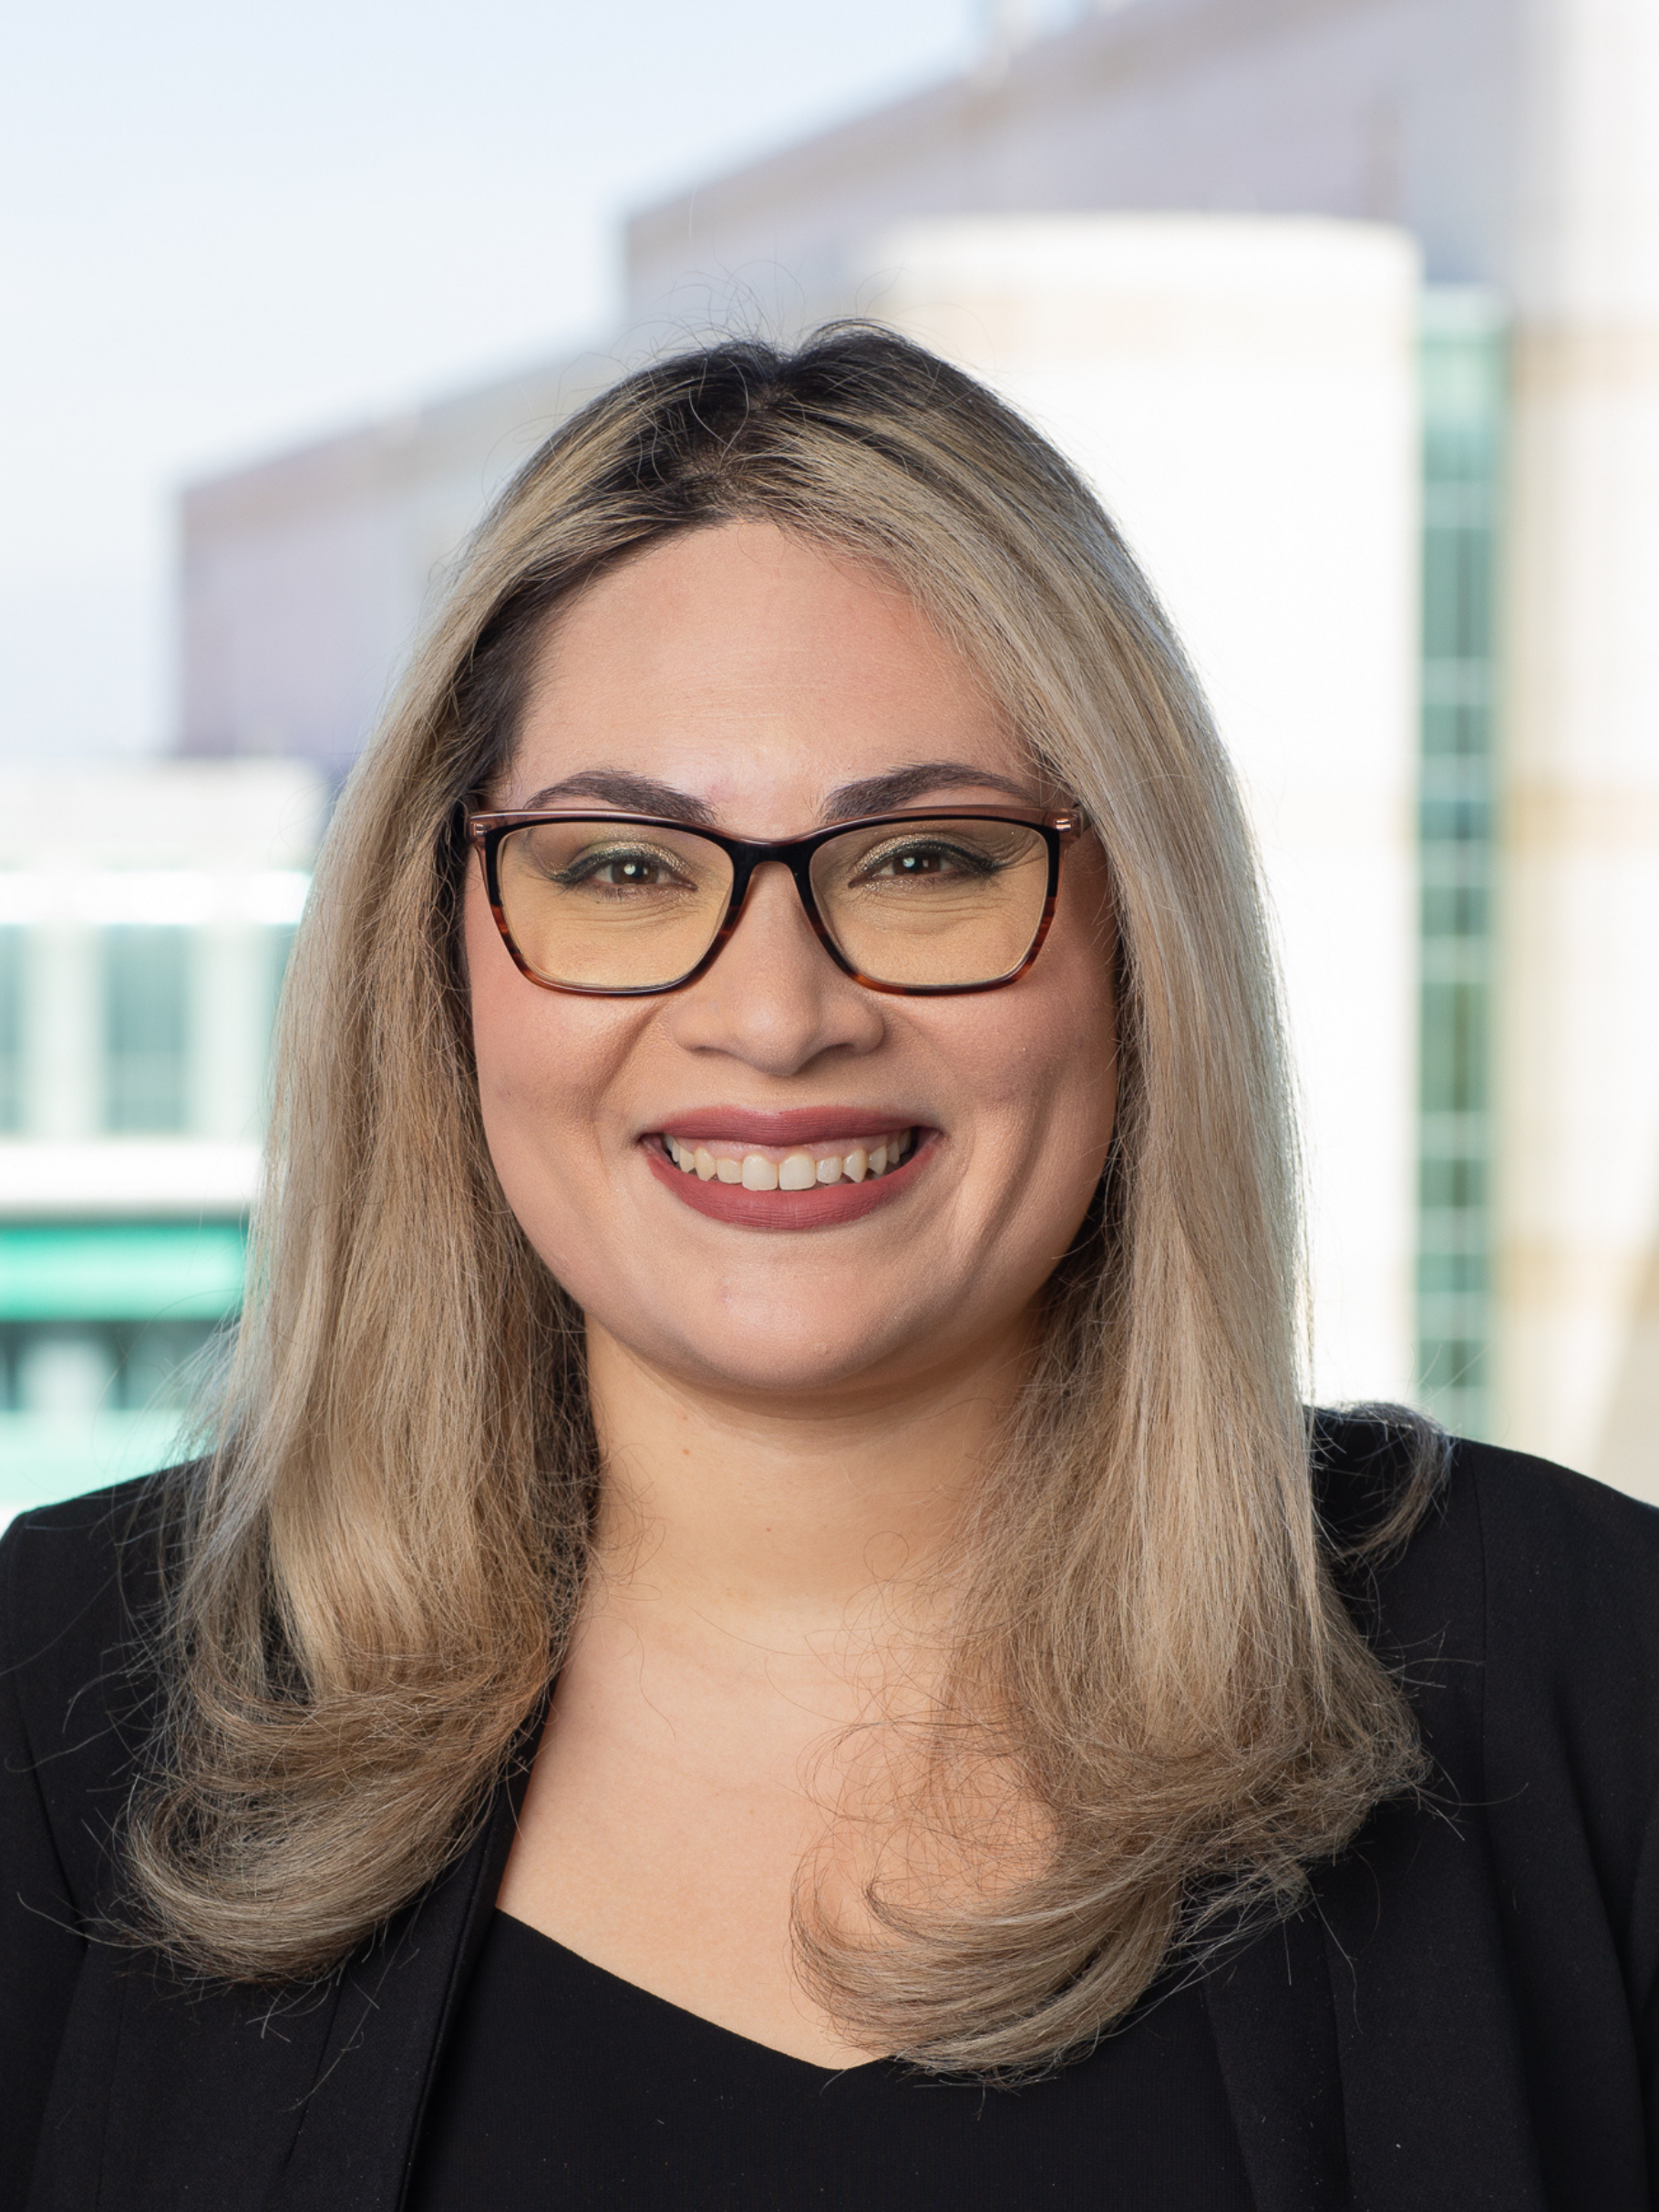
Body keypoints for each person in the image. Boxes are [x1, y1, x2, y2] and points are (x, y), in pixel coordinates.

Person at [3, 328, 1655, 2212]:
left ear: (1133, 941)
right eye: (622, 869)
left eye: (924, 860)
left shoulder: (1597, 1684)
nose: (775, 1016)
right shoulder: (51, 1710)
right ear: (439, 953)